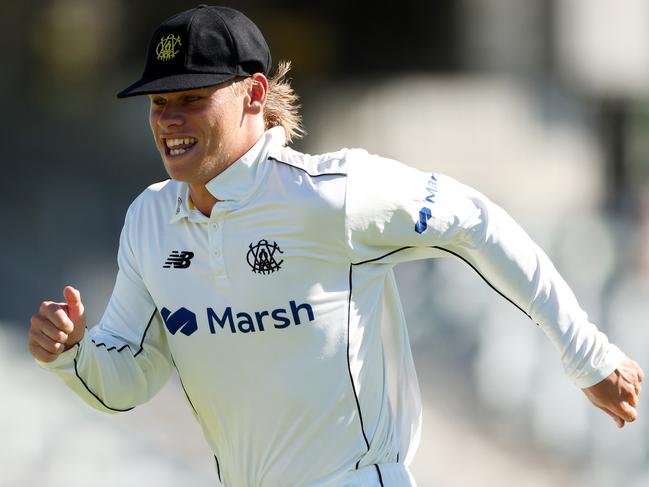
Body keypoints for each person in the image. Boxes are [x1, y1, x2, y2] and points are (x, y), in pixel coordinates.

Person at [28, 5, 643, 487]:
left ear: (255, 94)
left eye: (192, 98)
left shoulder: (332, 193)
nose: (170, 119)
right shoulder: (149, 221)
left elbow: (475, 221)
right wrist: (69, 353)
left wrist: (586, 355)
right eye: (159, 103)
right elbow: (124, 383)